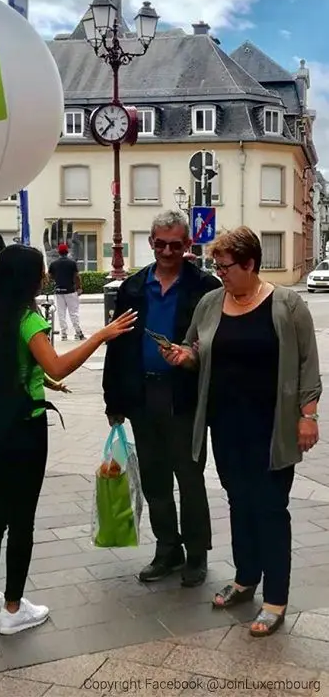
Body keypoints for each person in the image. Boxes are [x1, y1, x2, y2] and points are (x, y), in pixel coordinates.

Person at [0, 244, 137, 635]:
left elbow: (2, 366)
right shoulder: (27, 320)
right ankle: (13, 609)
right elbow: (58, 362)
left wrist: (41, 380)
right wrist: (102, 335)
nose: (44, 277)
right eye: (40, 271)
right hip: (24, 428)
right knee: (22, 518)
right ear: (25, 278)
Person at [161, 227, 321, 637]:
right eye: (216, 265)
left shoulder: (287, 304)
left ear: (250, 264)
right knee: (238, 501)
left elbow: (307, 364)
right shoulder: (211, 303)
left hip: (272, 428)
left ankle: (276, 598)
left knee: (270, 507)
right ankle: (246, 577)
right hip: (225, 426)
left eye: (226, 266)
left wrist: (308, 415)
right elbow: (197, 348)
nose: (220, 273)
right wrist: (184, 356)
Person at [103, 210, 221, 587]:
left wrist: (194, 357)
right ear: (151, 243)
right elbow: (117, 345)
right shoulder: (133, 288)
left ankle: (196, 553)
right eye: (160, 244)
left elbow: (217, 340)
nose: (167, 251)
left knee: (189, 476)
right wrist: (114, 400)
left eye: (176, 244)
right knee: (155, 479)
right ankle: (167, 549)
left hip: (184, 396)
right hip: (142, 395)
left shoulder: (205, 286)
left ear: (188, 245)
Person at [48, 243, 85, 341]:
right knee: (74, 313)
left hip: (58, 291)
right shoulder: (72, 263)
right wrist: (79, 288)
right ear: (67, 251)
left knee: (61, 313)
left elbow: (50, 277)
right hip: (70, 290)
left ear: (58, 252)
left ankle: (63, 334)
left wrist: (57, 279)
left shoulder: (53, 264)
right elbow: (76, 276)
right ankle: (78, 333)